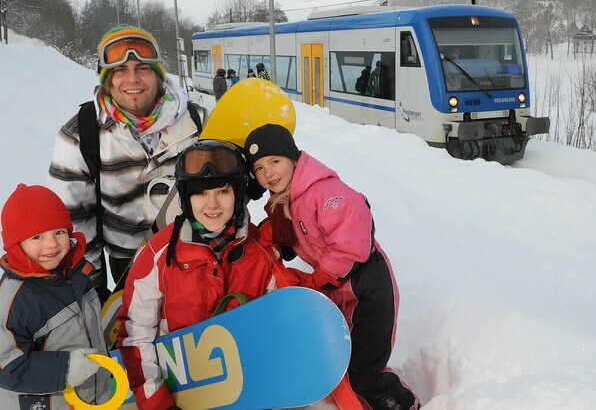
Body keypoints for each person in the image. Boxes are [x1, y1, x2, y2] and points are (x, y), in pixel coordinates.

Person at [244, 124, 420, 410]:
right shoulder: (286, 201)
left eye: (275, 162)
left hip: (369, 286)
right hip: (341, 289)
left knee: (365, 370)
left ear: (293, 158)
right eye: (260, 168)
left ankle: (404, 405)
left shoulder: (324, 192)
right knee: (346, 361)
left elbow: (352, 241)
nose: (269, 174)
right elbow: (277, 237)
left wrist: (318, 280)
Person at [117, 139, 292, 410]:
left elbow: (281, 330)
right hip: (181, 393)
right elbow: (135, 335)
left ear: (238, 193)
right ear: (187, 199)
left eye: (223, 191)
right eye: (201, 193)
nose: (212, 205)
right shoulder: (159, 255)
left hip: (247, 390)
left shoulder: (261, 252)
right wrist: (157, 403)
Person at [48, 26, 208, 302]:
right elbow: (75, 222)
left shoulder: (198, 121)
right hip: (127, 268)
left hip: (199, 260)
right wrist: (93, 292)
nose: (132, 78)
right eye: (120, 70)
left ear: (158, 75)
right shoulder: (81, 134)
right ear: (107, 80)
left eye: (142, 68)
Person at [0, 184, 110, 410]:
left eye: (59, 232)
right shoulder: (14, 298)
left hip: (92, 400)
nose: (51, 244)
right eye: (37, 237)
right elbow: (6, 364)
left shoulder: (78, 276)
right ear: (16, 245)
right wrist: (65, 368)